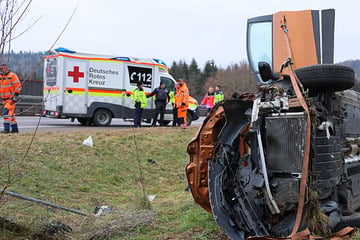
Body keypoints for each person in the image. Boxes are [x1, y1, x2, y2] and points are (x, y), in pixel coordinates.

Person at [0, 64, 22, 133]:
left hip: (11, 98)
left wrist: (15, 96)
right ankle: (15, 129)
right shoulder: (0, 77)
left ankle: (6, 129)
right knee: (11, 114)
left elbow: (18, 86)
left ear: (6, 68)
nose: (1, 70)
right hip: (4, 99)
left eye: (2, 69)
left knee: (6, 113)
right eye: (0, 69)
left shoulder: (12, 76)